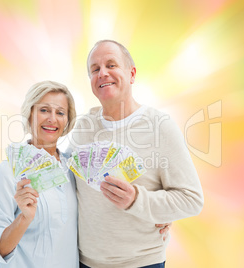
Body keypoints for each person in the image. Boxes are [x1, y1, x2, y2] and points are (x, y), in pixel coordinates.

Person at [68, 40, 204, 268]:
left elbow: (191, 200)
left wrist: (138, 201)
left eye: (111, 65)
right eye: (95, 69)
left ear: (131, 74)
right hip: (85, 262)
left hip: (141, 263)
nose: (103, 73)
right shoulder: (83, 128)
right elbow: (66, 184)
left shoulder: (160, 127)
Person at [0, 81, 79, 268]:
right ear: (29, 115)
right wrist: (24, 218)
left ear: (67, 121)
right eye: (44, 110)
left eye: (60, 112)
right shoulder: (8, 172)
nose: (52, 119)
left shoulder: (75, 169)